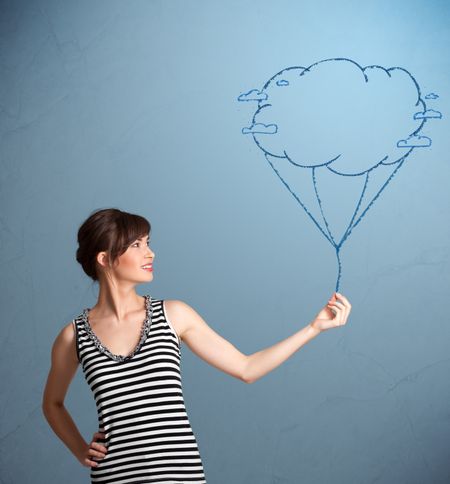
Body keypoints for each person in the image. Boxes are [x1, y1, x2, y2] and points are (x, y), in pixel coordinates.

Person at [42, 207, 352, 483]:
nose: (150, 254)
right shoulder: (73, 336)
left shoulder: (174, 314)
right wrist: (80, 449)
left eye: (148, 243)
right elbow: (52, 403)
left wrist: (313, 328)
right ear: (105, 259)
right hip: (114, 476)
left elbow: (247, 368)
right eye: (137, 245)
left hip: (180, 476)